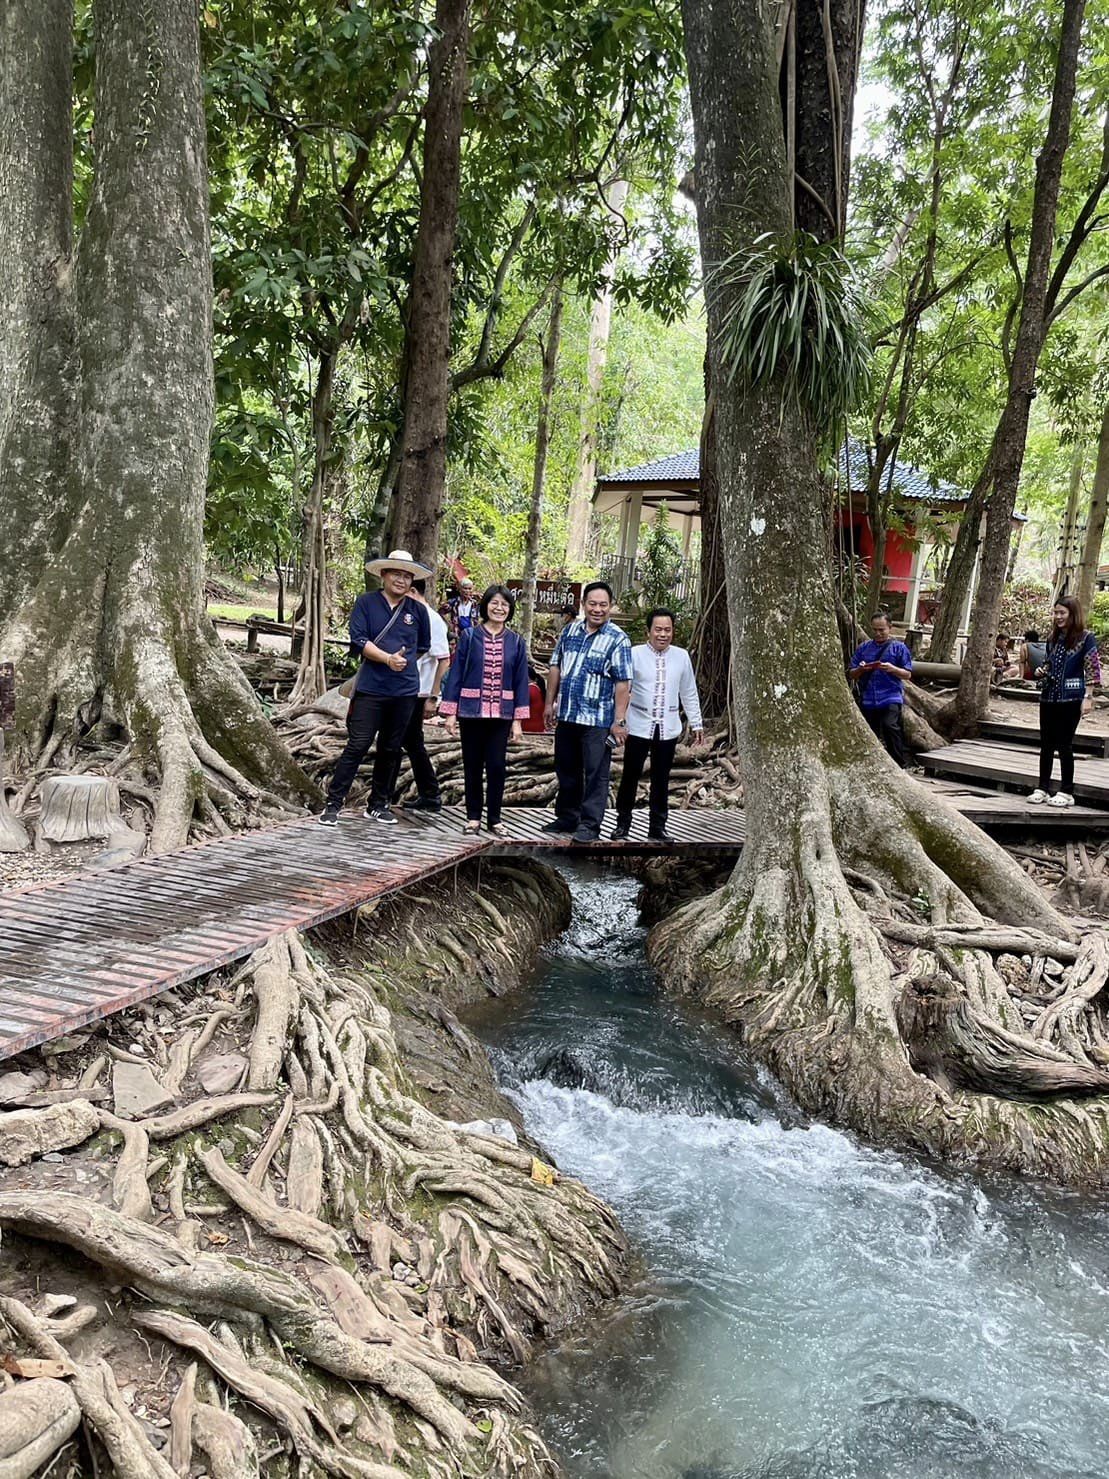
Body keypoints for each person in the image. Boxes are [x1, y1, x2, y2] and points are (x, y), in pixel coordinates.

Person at [318, 550, 431, 826]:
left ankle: (379, 803)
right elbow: (359, 640)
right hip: (371, 688)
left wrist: (402, 663)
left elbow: (423, 646)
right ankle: (333, 803)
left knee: (391, 748)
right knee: (357, 744)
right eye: (396, 574)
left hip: (404, 691)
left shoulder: (417, 611)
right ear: (384, 575)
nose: (401, 580)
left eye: (407, 576)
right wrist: (386, 659)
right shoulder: (366, 603)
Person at [543, 581, 633, 844]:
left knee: (596, 773)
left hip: (597, 719)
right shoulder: (570, 632)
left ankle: (590, 824)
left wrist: (619, 721)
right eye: (592, 604)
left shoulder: (618, 639)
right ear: (583, 605)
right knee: (565, 767)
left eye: (603, 604)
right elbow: (555, 667)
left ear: (611, 607)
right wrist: (549, 704)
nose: (597, 609)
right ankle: (567, 816)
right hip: (568, 714)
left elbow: (623, 683)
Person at [440, 584, 530, 835]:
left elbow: (521, 680)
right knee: (472, 764)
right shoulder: (469, 636)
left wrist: (518, 720)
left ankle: (495, 819)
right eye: (495, 603)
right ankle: (473, 818)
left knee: (496, 766)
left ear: (510, 609)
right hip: (471, 711)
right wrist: (450, 712)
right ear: (486, 606)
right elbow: (456, 673)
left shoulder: (516, 642)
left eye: (504, 604)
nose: (499, 608)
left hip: (502, 713)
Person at [612, 609, 706, 844]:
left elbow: (688, 691)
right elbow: (623, 689)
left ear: (673, 632)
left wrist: (696, 723)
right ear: (648, 631)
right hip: (638, 724)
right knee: (630, 776)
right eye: (658, 629)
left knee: (661, 778)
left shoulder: (681, 656)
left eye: (667, 630)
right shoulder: (634, 654)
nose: (662, 634)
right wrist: (619, 720)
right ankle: (622, 824)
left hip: (668, 726)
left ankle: (658, 827)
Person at [1028, 595, 1101, 808]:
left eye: (1062, 613)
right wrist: (1043, 670)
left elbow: (1093, 669)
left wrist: (1088, 697)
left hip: (1071, 697)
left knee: (1064, 744)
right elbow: (1050, 662)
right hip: (1049, 696)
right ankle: (1042, 787)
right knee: (1046, 744)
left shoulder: (1086, 638)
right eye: (1056, 612)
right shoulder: (1053, 638)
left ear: (1072, 614)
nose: (1058, 616)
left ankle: (1067, 791)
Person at [395, 578, 451, 813]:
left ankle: (429, 794)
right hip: (402, 689)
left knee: (406, 741)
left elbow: (444, 659)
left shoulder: (431, 619)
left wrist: (433, 696)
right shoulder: (409, 616)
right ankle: (429, 794)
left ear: (414, 591)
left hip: (418, 691)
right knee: (408, 741)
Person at [848, 612, 913, 766]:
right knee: (870, 731)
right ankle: (871, 763)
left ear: (889, 628)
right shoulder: (864, 648)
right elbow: (851, 673)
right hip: (868, 697)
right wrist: (861, 669)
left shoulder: (899, 648)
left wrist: (892, 669)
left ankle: (899, 762)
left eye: (881, 630)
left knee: (890, 725)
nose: (878, 633)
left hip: (891, 695)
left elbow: (907, 674)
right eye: (875, 630)